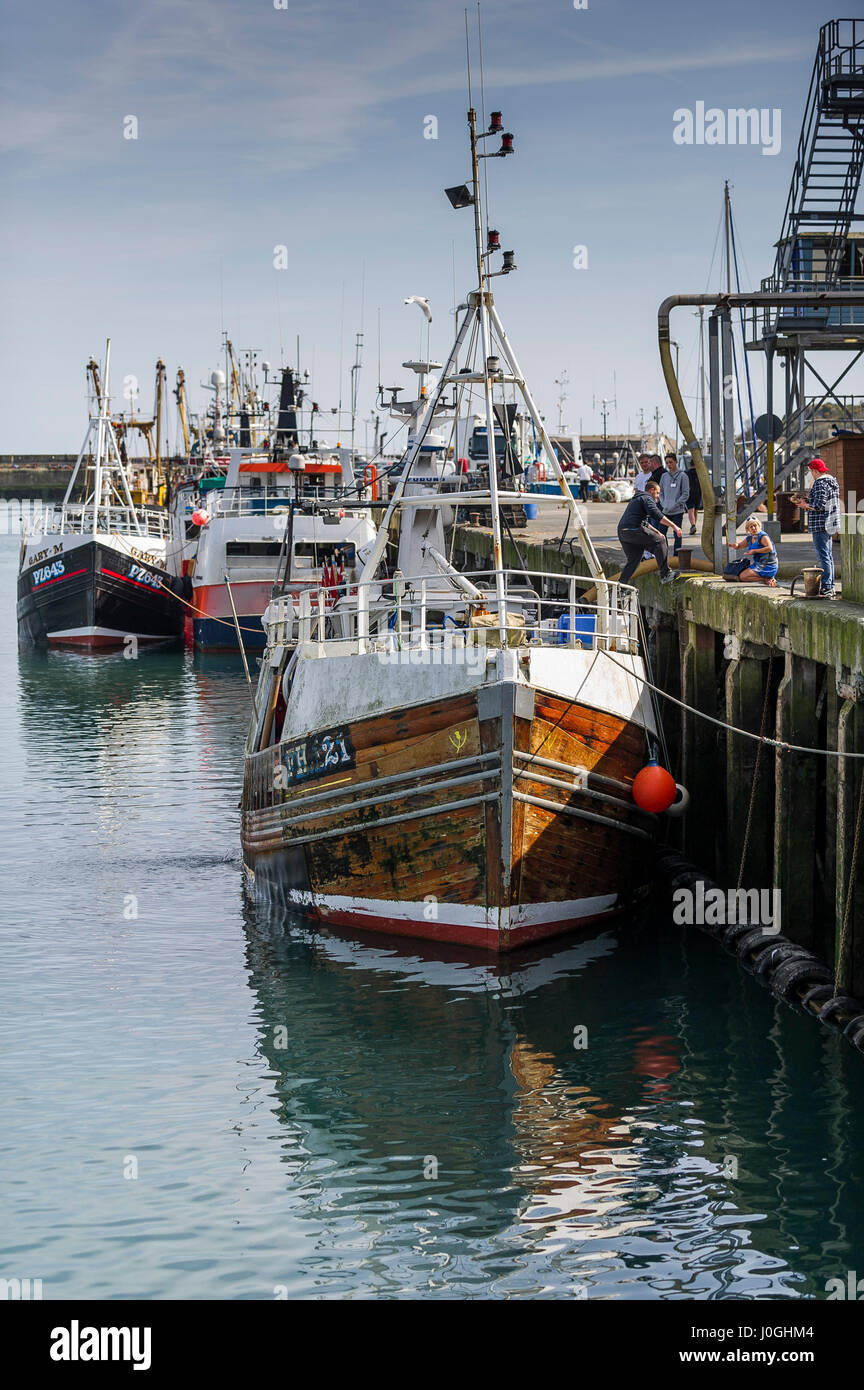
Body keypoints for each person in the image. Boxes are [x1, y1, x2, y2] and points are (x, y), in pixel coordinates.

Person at [617, 480, 683, 585]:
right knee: (660, 541)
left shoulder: (637, 499)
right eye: (657, 493)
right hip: (633, 530)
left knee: (634, 560)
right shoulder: (647, 498)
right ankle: (665, 574)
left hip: (623, 533)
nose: (657, 497)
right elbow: (657, 515)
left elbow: (645, 523)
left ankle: (621, 586)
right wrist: (675, 527)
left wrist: (657, 531)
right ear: (651, 490)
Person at [792, 457, 841, 599]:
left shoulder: (819, 483)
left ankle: (826, 587)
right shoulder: (832, 482)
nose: (811, 474)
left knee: (823, 556)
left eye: (811, 471)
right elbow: (824, 502)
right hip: (830, 523)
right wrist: (808, 502)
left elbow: (819, 505)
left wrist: (804, 505)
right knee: (828, 556)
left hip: (821, 524)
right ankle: (829, 586)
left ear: (814, 470)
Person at [729, 516, 778, 586]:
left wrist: (755, 551)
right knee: (739, 574)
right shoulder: (750, 538)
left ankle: (767, 579)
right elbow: (740, 545)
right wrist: (735, 546)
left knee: (743, 576)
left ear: (759, 526)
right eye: (751, 527)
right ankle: (767, 579)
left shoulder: (763, 536)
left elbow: (770, 548)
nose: (753, 528)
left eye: (755, 526)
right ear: (748, 529)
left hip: (768, 565)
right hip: (758, 563)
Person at [658, 453, 689, 555]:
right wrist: (663, 503)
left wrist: (676, 504)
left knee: (677, 534)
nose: (669, 465)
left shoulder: (683, 476)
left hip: (677, 511)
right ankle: (664, 554)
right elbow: (660, 492)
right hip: (665, 510)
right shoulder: (664, 476)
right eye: (667, 463)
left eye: (671, 462)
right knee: (661, 534)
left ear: (676, 461)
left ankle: (676, 556)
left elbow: (685, 494)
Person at [684, 452, 702, 534]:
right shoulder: (701, 473)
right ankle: (694, 525)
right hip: (698, 493)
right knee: (696, 511)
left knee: (690, 510)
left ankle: (693, 525)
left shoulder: (686, 473)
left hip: (689, 493)